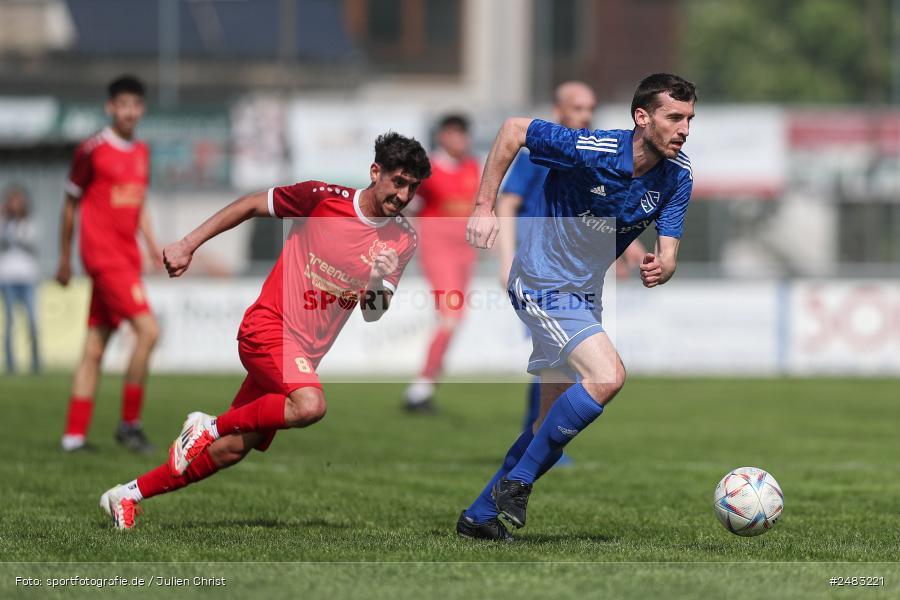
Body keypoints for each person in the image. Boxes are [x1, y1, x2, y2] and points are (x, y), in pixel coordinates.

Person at [99, 132, 430, 529]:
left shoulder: (402, 239)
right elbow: (253, 203)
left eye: (413, 186)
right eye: (398, 181)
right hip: (268, 328)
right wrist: (189, 243)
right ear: (376, 172)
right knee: (310, 406)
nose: (404, 195)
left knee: (229, 451)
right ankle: (207, 424)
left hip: (300, 356)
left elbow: (373, 313)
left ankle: (127, 495)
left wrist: (377, 281)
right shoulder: (322, 198)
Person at [458, 73, 696, 540]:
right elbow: (513, 130)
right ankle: (518, 484)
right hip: (541, 280)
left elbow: (668, 252)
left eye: (689, 119)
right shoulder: (592, 148)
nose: (684, 129)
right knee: (608, 376)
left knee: (546, 426)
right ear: (641, 118)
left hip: (583, 295)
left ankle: (480, 516)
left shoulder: (678, 175)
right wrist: (484, 206)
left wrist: (662, 266)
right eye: (674, 117)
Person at [495, 81, 646, 468]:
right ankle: (540, 440)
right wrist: (505, 257)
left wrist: (630, 248)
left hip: (571, 272)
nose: (586, 115)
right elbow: (509, 202)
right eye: (578, 108)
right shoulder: (543, 153)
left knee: (558, 360)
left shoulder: (593, 155)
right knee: (561, 359)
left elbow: (596, 214)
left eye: (590, 108)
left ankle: (535, 444)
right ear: (559, 110)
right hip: (538, 272)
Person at [57, 75, 162, 453]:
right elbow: (70, 203)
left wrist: (151, 245)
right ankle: (129, 424)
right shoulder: (92, 149)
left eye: (135, 104)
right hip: (103, 258)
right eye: (122, 104)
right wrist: (65, 257)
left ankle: (73, 437)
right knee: (149, 332)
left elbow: (138, 204)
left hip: (127, 259)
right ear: (110, 107)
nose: (129, 111)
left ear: (142, 109)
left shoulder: (142, 152)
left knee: (95, 348)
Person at [403, 115, 481, 413]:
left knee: (454, 319)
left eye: (464, 133)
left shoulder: (474, 167)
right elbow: (408, 206)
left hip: (465, 253)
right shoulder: (428, 170)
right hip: (438, 250)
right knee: (450, 317)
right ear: (443, 136)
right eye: (454, 133)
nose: (460, 139)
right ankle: (420, 389)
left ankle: (424, 385)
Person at [0, 184, 41, 374]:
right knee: (10, 322)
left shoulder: (30, 224)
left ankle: (36, 362)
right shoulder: (3, 223)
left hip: (27, 278)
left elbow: (31, 243)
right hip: (7, 277)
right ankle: (10, 363)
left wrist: (17, 225)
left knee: (32, 321)